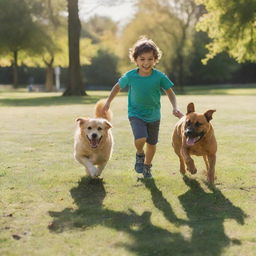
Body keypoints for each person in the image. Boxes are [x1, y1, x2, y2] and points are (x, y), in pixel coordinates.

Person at [103, 36, 183, 178]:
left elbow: (170, 93)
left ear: (155, 59)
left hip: (154, 115)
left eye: (150, 59)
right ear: (136, 59)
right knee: (141, 138)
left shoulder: (159, 77)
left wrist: (175, 107)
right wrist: (108, 102)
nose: (146, 62)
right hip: (136, 114)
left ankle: (147, 166)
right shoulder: (130, 76)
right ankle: (140, 153)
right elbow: (117, 87)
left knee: (152, 144)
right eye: (142, 59)